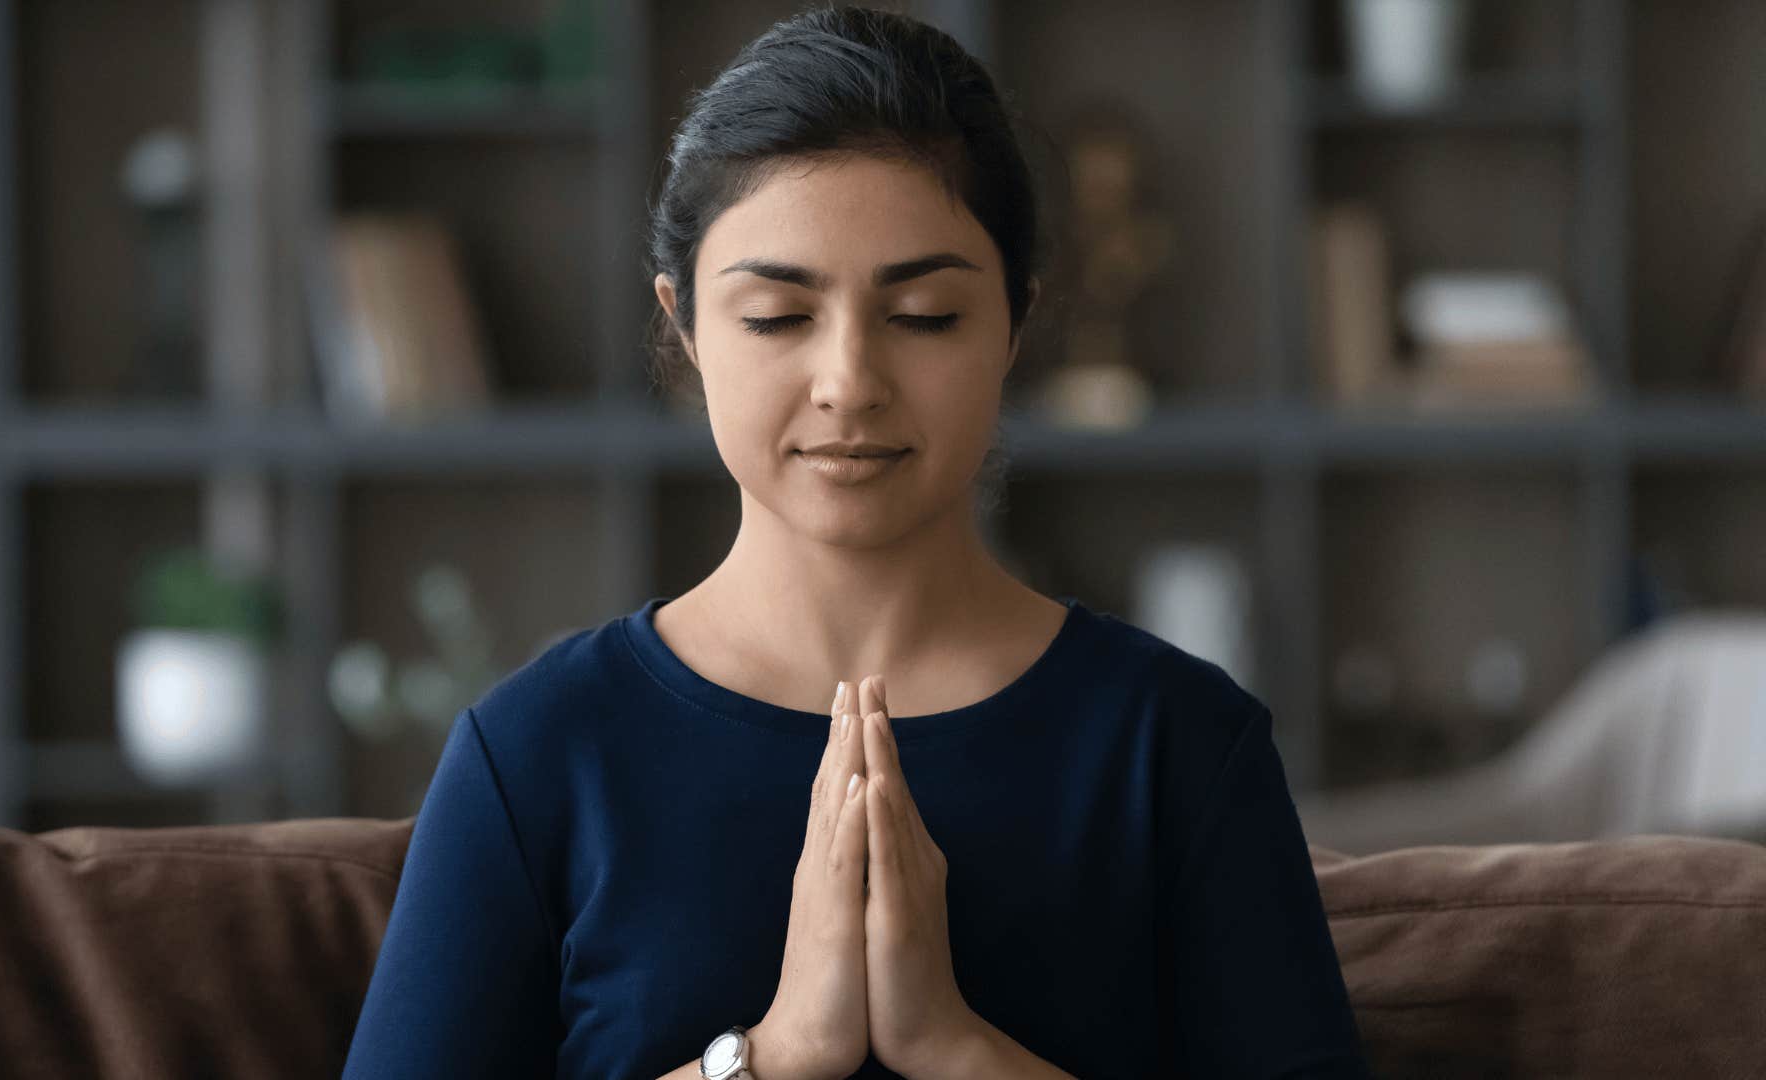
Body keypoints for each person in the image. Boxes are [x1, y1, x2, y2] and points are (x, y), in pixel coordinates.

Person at [340, 7, 1372, 1078]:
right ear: (685, 325)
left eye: (923, 315)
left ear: (1014, 324)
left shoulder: (1179, 748)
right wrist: (774, 1056)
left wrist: (956, 1047)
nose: (849, 383)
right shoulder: (539, 756)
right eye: (778, 318)